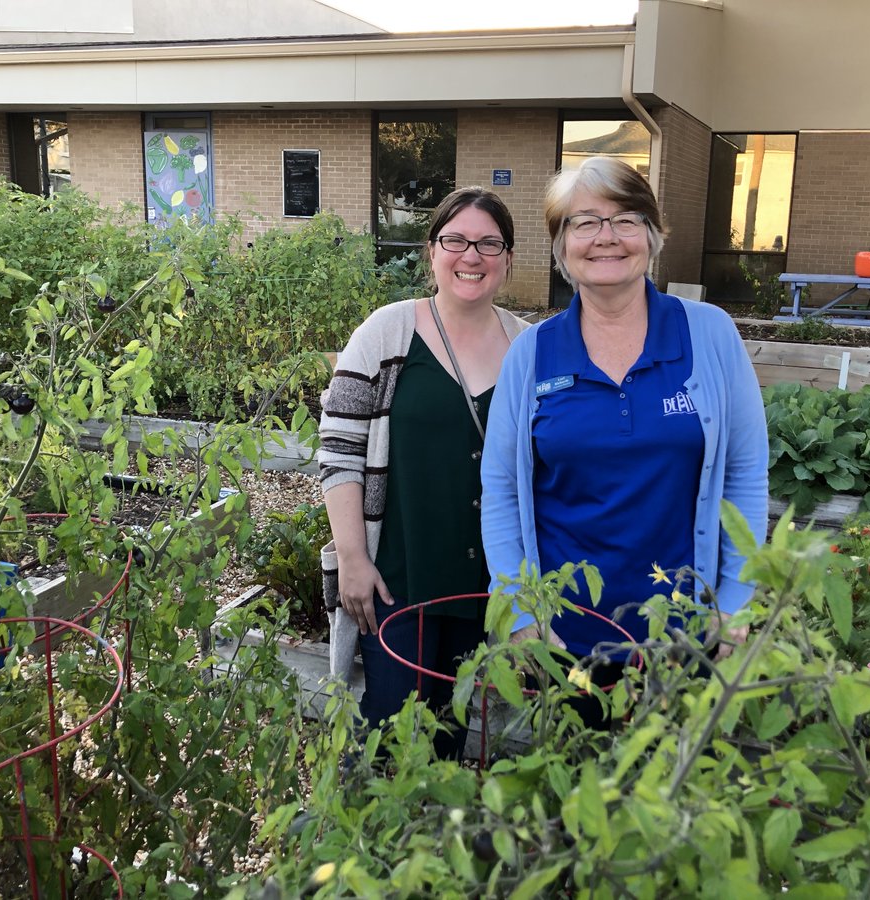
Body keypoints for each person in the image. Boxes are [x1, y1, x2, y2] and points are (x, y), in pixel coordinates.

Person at [480, 157, 769, 708]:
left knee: (676, 788)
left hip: (688, 635)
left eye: (626, 219)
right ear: (562, 244)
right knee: (577, 788)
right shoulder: (532, 355)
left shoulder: (708, 334)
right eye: (585, 222)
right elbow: (500, 492)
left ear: (653, 236)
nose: (606, 238)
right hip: (565, 639)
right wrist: (520, 614)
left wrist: (734, 604)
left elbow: (745, 474)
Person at [319, 187, 529, 759]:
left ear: (508, 258)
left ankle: (434, 842)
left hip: (483, 581)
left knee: (452, 729)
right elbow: (338, 449)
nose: (472, 256)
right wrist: (354, 560)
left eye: (490, 243)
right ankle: (377, 847)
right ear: (430, 250)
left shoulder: (526, 347)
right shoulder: (387, 334)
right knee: (391, 728)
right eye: (456, 240)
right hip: (397, 575)